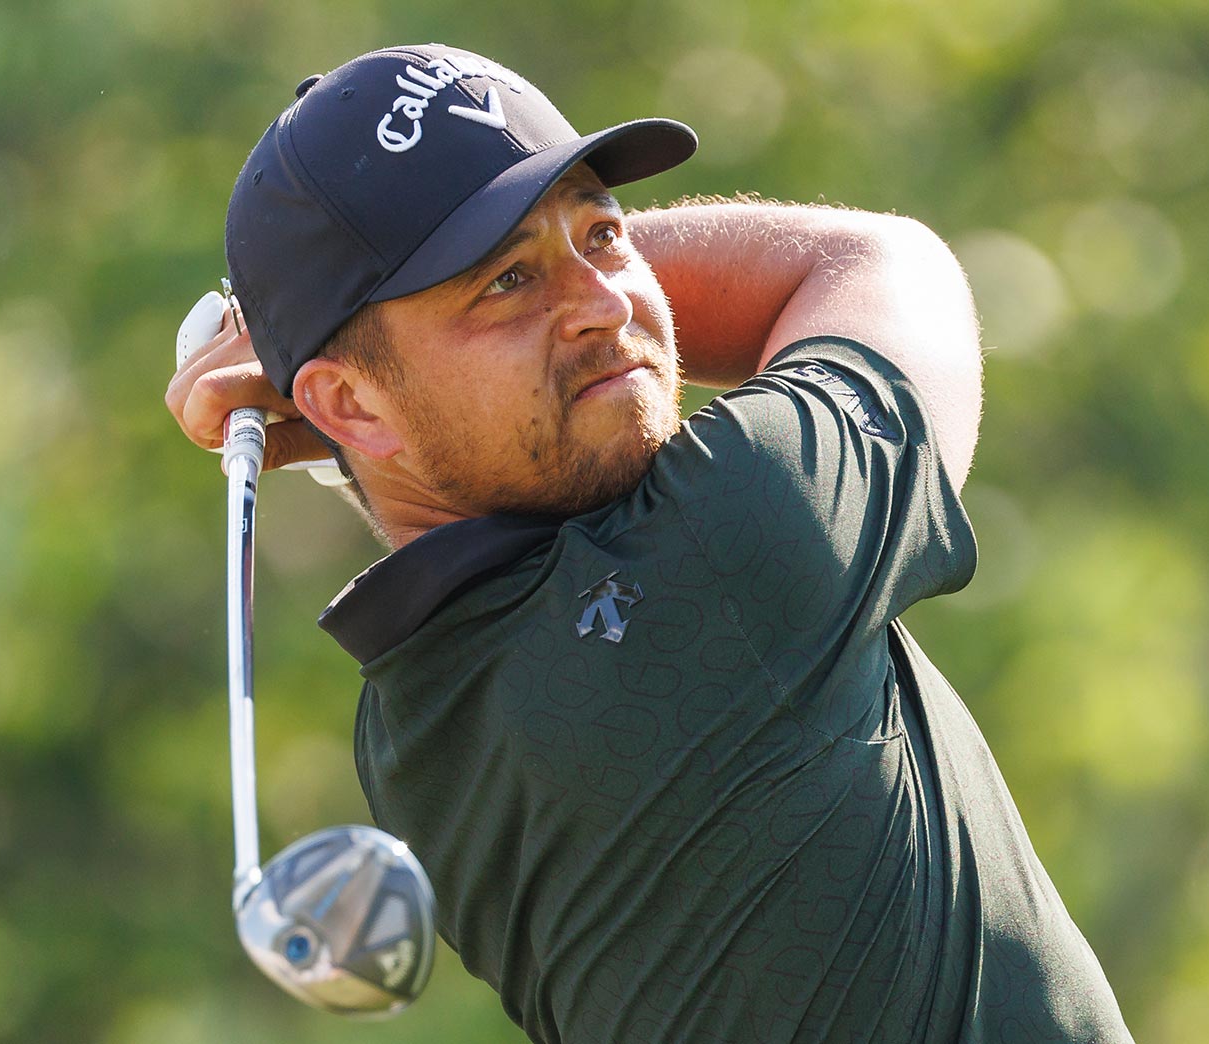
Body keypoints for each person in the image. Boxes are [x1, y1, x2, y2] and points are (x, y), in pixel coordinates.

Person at [166, 42, 1132, 1043]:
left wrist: (355, 363)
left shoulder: (410, 722)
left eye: (603, 233)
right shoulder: (726, 547)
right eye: (502, 282)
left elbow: (440, 428)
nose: (603, 304)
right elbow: (876, 264)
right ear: (347, 407)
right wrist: (333, 363)